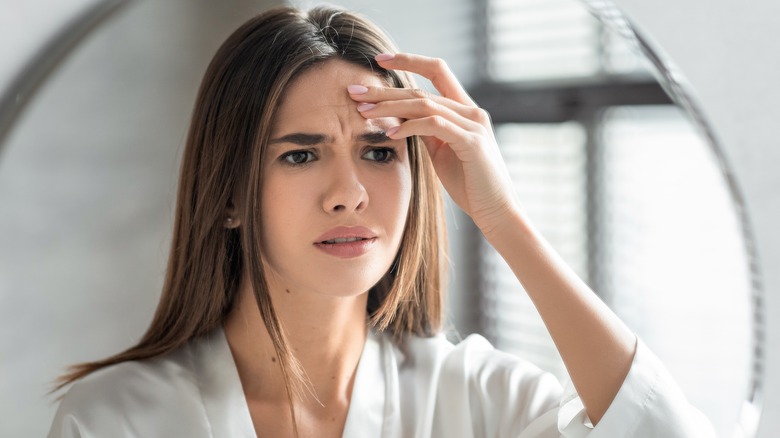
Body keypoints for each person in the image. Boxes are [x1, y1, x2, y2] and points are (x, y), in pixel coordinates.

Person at [48, 5, 714, 437]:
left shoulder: (478, 399)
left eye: (378, 152)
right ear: (227, 194)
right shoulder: (117, 419)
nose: (348, 194)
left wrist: (503, 217)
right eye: (301, 154)